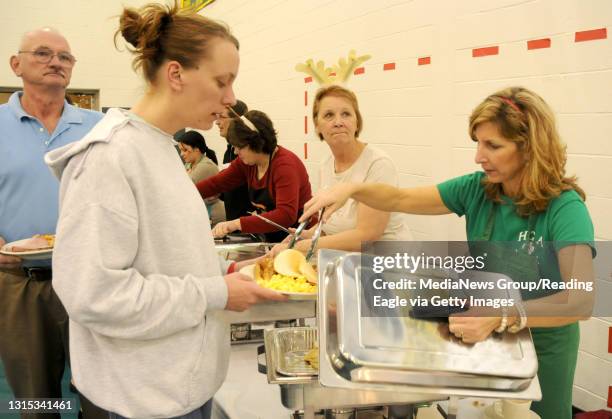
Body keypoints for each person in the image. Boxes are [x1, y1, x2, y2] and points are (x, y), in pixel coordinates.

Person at [44, 3, 285, 419]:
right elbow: (95, 294)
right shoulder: (110, 157)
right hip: (146, 398)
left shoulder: (160, 148)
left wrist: (228, 273)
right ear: (176, 74)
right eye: (222, 82)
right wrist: (218, 292)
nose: (230, 100)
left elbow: (164, 256)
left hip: (180, 386)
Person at [300, 87, 595, 419]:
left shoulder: (564, 207)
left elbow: (581, 300)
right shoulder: (478, 189)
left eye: (493, 146)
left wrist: (502, 315)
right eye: (478, 143)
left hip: (543, 351)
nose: (479, 157)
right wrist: (352, 187)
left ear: (529, 148)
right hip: (488, 342)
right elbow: (399, 199)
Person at [0, 27, 103, 418]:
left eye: (65, 56)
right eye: (43, 53)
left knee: (102, 394)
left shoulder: (99, 128)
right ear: (17, 64)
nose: (55, 62)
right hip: (20, 285)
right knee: (36, 398)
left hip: (94, 280)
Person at [272, 85, 412, 256]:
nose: (338, 122)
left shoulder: (378, 164)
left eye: (346, 114)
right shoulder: (325, 165)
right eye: (329, 115)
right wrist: (306, 235)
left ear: (357, 122)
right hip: (348, 263)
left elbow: (366, 235)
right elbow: (333, 223)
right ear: (317, 126)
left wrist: (301, 247)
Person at [196, 109, 314, 242]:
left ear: (256, 143)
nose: (235, 151)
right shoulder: (247, 163)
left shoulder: (285, 166)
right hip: (272, 237)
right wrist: (186, 194)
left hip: (300, 237)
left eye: (239, 147)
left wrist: (236, 223)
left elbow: (285, 215)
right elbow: (216, 184)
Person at [177, 130, 226, 225]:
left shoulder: (206, 166)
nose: (181, 154)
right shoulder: (189, 164)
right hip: (201, 212)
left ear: (197, 149)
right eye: (180, 150)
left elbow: (182, 189)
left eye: (185, 150)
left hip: (212, 215)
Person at [216, 99, 253, 219]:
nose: (217, 122)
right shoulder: (229, 150)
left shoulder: (250, 153)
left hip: (248, 226)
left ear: (237, 120)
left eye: (222, 117)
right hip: (234, 225)